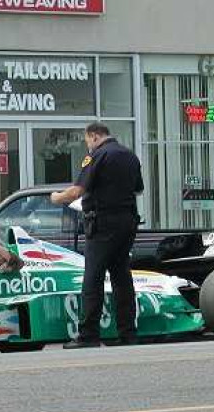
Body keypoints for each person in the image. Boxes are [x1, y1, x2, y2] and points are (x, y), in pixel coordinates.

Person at [50, 122, 144, 348]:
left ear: (93, 136)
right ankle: (127, 334)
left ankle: (88, 335)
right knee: (122, 278)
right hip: (127, 221)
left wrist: (56, 197)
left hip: (102, 223)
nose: (88, 146)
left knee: (93, 278)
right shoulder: (130, 156)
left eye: (87, 141)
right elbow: (139, 189)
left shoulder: (97, 156)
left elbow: (77, 191)